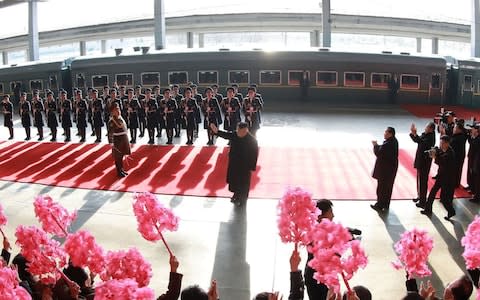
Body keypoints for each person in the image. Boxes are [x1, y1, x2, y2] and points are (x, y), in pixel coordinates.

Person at [210, 122, 258, 206]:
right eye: (237, 129)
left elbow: (254, 155)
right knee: (234, 181)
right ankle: (236, 195)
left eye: (239, 130)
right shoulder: (235, 135)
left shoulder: (252, 141)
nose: (238, 131)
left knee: (243, 183)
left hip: (245, 166)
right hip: (234, 163)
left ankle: (242, 200)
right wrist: (217, 131)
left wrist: (252, 167)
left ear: (245, 130)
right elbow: (226, 135)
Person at [421, 135, 456, 220]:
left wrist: (435, 157)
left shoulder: (450, 153)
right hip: (441, 176)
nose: (441, 145)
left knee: (443, 198)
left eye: (443, 143)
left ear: (447, 143)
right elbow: (439, 154)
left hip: (447, 178)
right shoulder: (442, 149)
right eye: (440, 143)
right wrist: (433, 152)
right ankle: (428, 209)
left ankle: (451, 211)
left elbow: (442, 162)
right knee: (433, 192)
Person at [304, 199, 334, 300]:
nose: (333, 215)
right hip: (316, 277)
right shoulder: (315, 233)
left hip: (320, 275)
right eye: (330, 212)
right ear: (320, 215)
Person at [370, 127, 399, 211]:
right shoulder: (393, 141)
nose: (384, 133)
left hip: (385, 171)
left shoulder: (388, 144)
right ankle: (385, 204)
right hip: (391, 169)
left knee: (381, 188)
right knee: (388, 188)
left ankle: (379, 205)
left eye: (386, 132)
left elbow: (379, 153)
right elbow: (383, 149)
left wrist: (375, 145)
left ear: (390, 134)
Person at [409, 122, 436, 207]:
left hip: (424, 163)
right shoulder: (425, 134)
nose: (425, 128)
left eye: (427, 127)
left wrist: (415, 134)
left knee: (423, 182)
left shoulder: (430, 137)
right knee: (419, 180)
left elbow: (421, 142)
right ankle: (420, 196)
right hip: (420, 161)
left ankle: (422, 201)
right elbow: (417, 140)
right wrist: (413, 134)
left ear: (431, 129)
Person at [108, 102, 131, 178]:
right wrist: (111, 142)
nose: (118, 110)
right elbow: (110, 132)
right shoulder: (112, 121)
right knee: (118, 157)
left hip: (123, 138)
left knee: (121, 155)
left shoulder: (120, 117)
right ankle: (119, 171)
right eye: (116, 109)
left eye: (118, 109)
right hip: (117, 140)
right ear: (112, 111)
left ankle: (122, 169)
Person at [449, 123, 468, 188]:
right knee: (455, 170)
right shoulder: (457, 135)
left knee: (457, 170)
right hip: (457, 156)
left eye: (455, 128)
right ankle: (454, 182)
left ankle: (455, 183)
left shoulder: (460, 137)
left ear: (459, 130)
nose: (453, 129)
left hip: (458, 156)